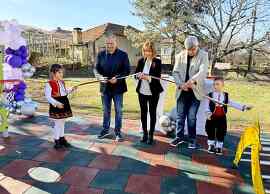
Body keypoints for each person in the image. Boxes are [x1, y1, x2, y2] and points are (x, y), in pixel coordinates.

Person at [171, 36, 209, 149]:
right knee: (180, 116)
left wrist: (192, 81)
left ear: (197, 46)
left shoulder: (204, 55)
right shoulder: (180, 56)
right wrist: (181, 84)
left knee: (192, 117)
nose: (192, 51)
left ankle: (192, 139)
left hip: (195, 91)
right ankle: (179, 137)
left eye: (194, 49)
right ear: (185, 48)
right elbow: (175, 72)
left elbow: (203, 71)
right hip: (182, 90)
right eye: (189, 50)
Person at [95, 33, 130, 142]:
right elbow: (96, 69)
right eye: (108, 43)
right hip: (105, 88)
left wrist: (117, 78)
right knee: (106, 110)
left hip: (118, 88)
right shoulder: (100, 55)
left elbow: (127, 71)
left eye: (112, 43)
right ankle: (105, 130)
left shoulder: (123, 55)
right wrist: (100, 77)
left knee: (119, 110)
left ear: (116, 43)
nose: (109, 45)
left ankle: (118, 132)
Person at [205, 77, 252, 155]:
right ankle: (211, 145)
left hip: (222, 117)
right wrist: (208, 113)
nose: (215, 86)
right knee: (210, 131)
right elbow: (206, 106)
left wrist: (244, 107)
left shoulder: (226, 96)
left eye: (217, 84)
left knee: (221, 132)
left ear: (222, 85)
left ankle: (219, 147)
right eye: (214, 84)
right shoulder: (210, 95)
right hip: (212, 117)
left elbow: (233, 103)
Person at [135, 41, 163, 145]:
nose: (148, 53)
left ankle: (151, 135)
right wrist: (138, 75)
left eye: (150, 51)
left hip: (153, 92)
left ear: (153, 51)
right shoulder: (141, 61)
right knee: (143, 113)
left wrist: (148, 78)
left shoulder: (158, 62)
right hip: (142, 91)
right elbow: (135, 74)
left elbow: (157, 78)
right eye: (146, 51)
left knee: (152, 113)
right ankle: (145, 134)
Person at [45, 64, 76, 149]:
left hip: (64, 103)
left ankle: (62, 139)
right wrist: (56, 103)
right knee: (57, 123)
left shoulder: (62, 82)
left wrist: (71, 89)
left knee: (62, 122)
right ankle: (57, 141)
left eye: (62, 72)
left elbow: (64, 92)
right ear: (53, 73)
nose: (61, 74)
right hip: (56, 105)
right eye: (59, 72)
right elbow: (48, 97)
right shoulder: (49, 84)